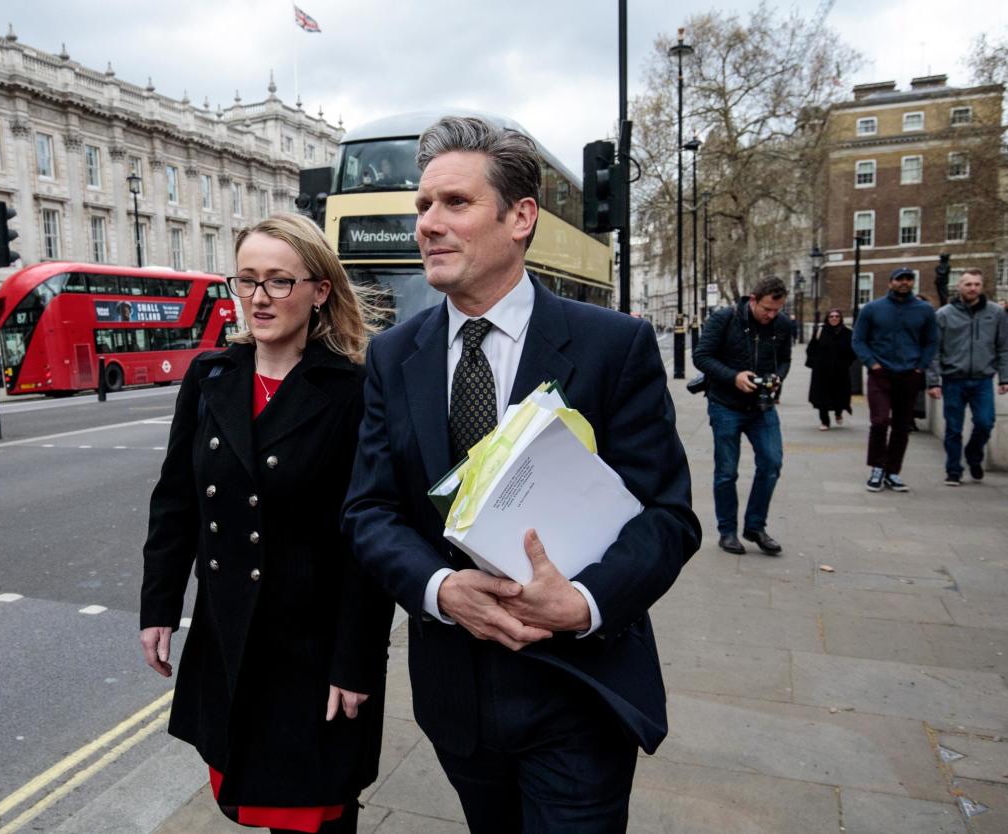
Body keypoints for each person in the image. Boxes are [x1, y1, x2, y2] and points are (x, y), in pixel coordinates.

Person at [342, 116, 700, 833]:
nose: (428, 225)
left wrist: (586, 602)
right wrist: (441, 590)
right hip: (458, 702)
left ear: (520, 218)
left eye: (455, 204)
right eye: (422, 206)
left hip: (578, 687)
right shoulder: (392, 355)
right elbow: (370, 511)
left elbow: (667, 516)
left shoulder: (612, 346)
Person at [140, 213, 394, 834]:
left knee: (314, 812)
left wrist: (355, 662)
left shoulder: (355, 389)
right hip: (231, 637)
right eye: (247, 280)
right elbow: (176, 501)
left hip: (313, 651)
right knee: (253, 793)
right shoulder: (210, 377)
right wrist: (159, 607)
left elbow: (369, 542)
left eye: (279, 281)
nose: (259, 297)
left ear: (319, 291)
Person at [692, 276, 793, 556]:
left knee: (772, 463)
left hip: (762, 407)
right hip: (726, 405)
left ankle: (755, 526)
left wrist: (777, 378)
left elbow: (785, 359)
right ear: (753, 300)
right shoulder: (725, 319)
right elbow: (701, 356)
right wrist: (734, 377)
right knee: (727, 471)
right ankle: (727, 532)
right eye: (766, 309)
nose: (771, 315)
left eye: (777, 310)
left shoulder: (782, 325)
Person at [852, 267, 938, 492]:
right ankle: (877, 467)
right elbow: (858, 340)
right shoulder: (872, 309)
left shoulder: (925, 310)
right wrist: (872, 364)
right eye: (900, 279)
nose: (905, 283)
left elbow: (931, 342)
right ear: (890, 282)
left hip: (909, 374)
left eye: (909, 279)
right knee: (879, 422)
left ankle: (893, 471)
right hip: (880, 374)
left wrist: (920, 367)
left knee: (901, 426)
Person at [925, 268, 1008, 485]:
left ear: (982, 286)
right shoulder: (943, 315)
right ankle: (953, 470)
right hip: (954, 379)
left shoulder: (995, 313)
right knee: (953, 428)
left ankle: (973, 455)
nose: (973, 288)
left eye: (977, 284)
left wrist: (1004, 378)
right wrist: (933, 381)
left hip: (982, 379)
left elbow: (1003, 347)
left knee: (985, 422)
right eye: (968, 284)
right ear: (959, 287)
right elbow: (934, 350)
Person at [806, 309, 856, 430]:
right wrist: (815, 363)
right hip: (822, 371)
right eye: (831, 316)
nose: (834, 318)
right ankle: (825, 421)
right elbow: (811, 348)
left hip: (840, 371)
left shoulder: (847, 333)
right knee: (821, 396)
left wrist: (846, 363)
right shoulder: (820, 331)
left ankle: (838, 412)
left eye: (837, 316)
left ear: (840, 318)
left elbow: (853, 351)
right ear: (827, 318)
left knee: (840, 394)